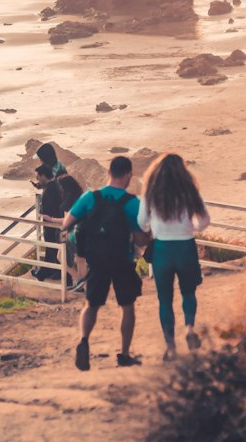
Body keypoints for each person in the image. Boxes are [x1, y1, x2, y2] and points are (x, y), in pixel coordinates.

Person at [62, 155, 143, 371]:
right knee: (127, 307)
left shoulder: (90, 197)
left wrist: (79, 245)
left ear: (108, 173)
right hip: (122, 260)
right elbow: (142, 237)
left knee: (91, 304)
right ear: (128, 175)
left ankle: (84, 340)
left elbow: (67, 223)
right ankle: (124, 354)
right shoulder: (133, 203)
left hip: (97, 260)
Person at [138, 153, 211, 359]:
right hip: (185, 247)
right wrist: (191, 228)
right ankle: (189, 328)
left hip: (162, 249)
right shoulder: (190, 192)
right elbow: (205, 220)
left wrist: (155, 226)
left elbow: (141, 221)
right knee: (188, 293)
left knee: (165, 299)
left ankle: (170, 347)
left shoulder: (151, 195)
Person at [31, 163, 65, 281]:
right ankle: (50, 272)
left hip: (51, 224)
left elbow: (51, 206)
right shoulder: (53, 185)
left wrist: (45, 217)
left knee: (51, 248)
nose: (37, 180)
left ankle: (45, 273)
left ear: (43, 175)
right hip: (53, 223)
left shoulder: (51, 189)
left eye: (38, 177)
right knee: (52, 249)